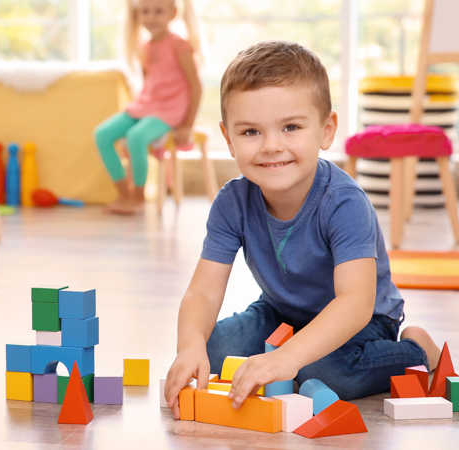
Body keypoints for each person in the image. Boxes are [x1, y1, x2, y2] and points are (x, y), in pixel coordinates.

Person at [163, 40, 441, 419]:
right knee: (213, 351)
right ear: (228, 139)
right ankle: (286, 357)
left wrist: (288, 358)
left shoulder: (344, 203)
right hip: (281, 312)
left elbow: (355, 303)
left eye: (291, 127)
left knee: (325, 373)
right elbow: (203, 291)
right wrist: (189, 346)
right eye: (250, 132)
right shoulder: (231, 201)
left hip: (361, 322)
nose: (271, 146)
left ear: (326, 130)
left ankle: (418, 351)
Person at [94, 0, 202, 215]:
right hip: (146, 105)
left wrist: (187, 125)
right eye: (145, 11)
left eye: (158, 11)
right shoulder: (144, 48)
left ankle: (138, 197)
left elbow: (196, 86)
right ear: (138, 14)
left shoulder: (180, 46)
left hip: (170, 109)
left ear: (172, 14)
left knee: (136, 137)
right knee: (102, 134)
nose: (151, 17)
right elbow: (149, 84)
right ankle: (124, 195)